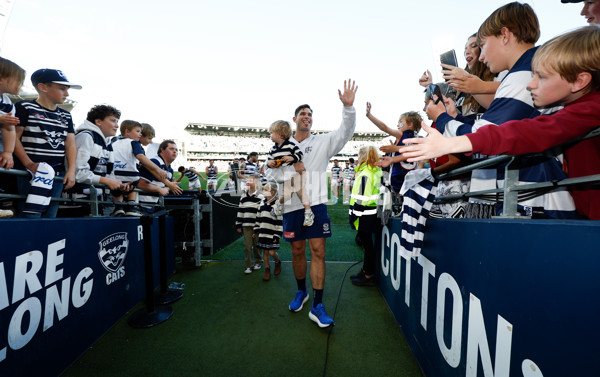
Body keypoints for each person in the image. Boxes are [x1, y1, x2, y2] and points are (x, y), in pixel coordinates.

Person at [399, 25, 600, 220]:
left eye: (542, 77)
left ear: (580, 81)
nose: (530, 84)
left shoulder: (591, 107)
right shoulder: (577, 108)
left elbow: (524, 133)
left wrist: (450, 141)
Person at [424, 2, 577, 219]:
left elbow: (481, 140)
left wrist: (441, 119)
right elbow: (494, 131)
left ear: (505, 35)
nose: (482, 57)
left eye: (483, 45)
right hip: (529, 197)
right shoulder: (524, 70)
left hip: (533, 201)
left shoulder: (524, 74)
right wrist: (454, 117)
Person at [265, 79, 358, 328]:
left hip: (315, 204)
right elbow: (270, 175)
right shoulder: (281, 146)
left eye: (310, 114)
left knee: (318, 251)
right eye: (302, 114)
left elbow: (345, 132)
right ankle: (301, 291)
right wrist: (288, 167)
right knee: (296, 251)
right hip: (292, 205)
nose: (307, 117)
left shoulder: (322, 142)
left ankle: (317, 304)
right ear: (294, 119)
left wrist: (348, 108)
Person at [14, 68, 81, 218]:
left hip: (57, 173)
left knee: (50, 218)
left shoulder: (66, 115)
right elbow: (14, 138)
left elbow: (70, 144)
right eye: (62, 88)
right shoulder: (24, 107)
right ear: (43, 87)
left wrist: (71, 171)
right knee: (29, 217)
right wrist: (28, 164)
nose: (67, 93)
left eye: (67, 89)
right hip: (30, 173)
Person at [70, 104, 123, 216]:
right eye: (113, 121)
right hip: (76, 203)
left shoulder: (107, 143)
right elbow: (78, 173)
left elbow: (108, 174)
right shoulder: (86, 137)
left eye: (117, 121)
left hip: (97, 201)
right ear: (98, 122)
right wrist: (107, 181)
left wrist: (118, 184)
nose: (117, 125)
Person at [111, 120, 171, 216]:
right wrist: (158, 169)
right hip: (130, 176)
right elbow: (141, 158)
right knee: (134, 183)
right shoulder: (134, 143)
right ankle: (132, 206)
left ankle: (118, 207)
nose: (151, 141)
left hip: (114, 176)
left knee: (117, 191)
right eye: (138, 132)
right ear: (127, 131)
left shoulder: (113, 142)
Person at [266, 120, 314, 226]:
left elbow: (299, 154)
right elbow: (268, 162)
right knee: (287, 193)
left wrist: (292, 157)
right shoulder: (272, 150)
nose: (270, 135)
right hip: (285, 176)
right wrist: (270, 163)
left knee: (300, 189)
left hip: (296, 174)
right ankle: (280, 203)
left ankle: (308, 212)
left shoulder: (291, 146)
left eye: (271, 133)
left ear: (280, 134)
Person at [366, 104, 421, 193]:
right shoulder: (419, 138)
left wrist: (370, 116)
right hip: (412, 174)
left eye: (400, 122)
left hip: (398, 174)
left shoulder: (402, 134)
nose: (398, 124)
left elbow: (384, 127)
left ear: (410, 124)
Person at [349, 146, 383, 286]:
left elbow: (361, 200)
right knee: (367, 245)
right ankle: (365, 271)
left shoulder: (365, 174)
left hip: (365, 215)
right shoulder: (373, 171)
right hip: (370, 214)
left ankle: (368, 275)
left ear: (362, 157)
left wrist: (353, 216)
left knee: (367, 246)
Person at [0, 58, 25, 218]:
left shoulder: (8, 102)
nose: (20, 86)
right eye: (18, 81)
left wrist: (8, 152)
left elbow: (10, 129)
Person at [137, 140, 183, 213]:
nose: (175, 151)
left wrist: (169, 187)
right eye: (171, 149)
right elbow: (140, 184)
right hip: (141, 206)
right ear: (162, 150)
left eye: (176, 150)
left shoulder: (170, 170)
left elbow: (167, 186)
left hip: (152, 206)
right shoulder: (155, 163)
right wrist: (159, 189)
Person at [253, 182, 283, 281]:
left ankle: (277, 261)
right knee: (265, 252)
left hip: (272, 233)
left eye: (266, 190)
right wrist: (256, 229)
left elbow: (279, 221)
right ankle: (267, 270)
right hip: (263, 232)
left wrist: (277, 235)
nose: (263, 192)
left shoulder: (277, 204)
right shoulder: (262, 203)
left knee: (271, 252)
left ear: (273, 192)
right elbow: (258, 217)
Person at [235, 175, 263, 274]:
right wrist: (238, 224)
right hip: (246, 225)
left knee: (257, 245)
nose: (247, 181)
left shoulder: (261, 196)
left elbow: (262, 212)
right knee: (247, 246)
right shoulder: (243, 196)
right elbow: (240, 210)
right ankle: (248, 265)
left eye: (250, 180)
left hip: (257, 226)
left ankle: (258, 261)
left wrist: (259, 225)